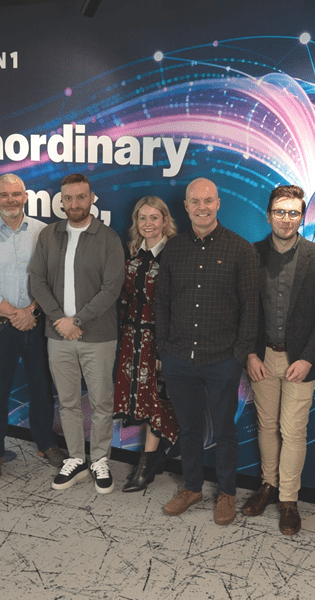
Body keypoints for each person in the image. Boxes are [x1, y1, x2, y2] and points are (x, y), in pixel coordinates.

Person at [155, 177, 260, 526]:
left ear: (218, 204)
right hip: (179, 358)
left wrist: (239, 356)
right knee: (188, 429)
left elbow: (250, 309)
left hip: (222, 360)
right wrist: (164, 350)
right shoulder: (173, 249)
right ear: (185, 207)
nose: (202, 207)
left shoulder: (241, 250)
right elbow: (162, 304)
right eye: (195, 202)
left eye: (208, 201)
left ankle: (227, 493)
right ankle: (192, 487)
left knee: (225, 431)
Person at [241, 184, 315, 535]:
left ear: (302, 216)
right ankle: (267, 486)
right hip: (262, 358)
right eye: (279, 212)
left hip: (301, 362)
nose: (285, 219)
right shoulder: (250, 254)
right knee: (266, 427)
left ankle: (289, 500)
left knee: (293, 431)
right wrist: (250, 352)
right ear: (268, 215)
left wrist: (309, 359)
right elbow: (245, 310)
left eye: (293, 212)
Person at [29, 173, 125, 494]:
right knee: (67, 402)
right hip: (58, 335)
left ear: (91, 198)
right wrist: (59, 320)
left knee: (100, 402)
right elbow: (37, 281)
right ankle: (76, 459)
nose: (74, 204)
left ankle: (99, 458)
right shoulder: (49, 236)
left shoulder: (108, 238)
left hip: (98, 336)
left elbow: (112, 288)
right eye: (68, 198)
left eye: (80, 197)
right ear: (61, 201)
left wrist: (78, 320)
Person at [0, 174, 67, 480]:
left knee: (42, 388)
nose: (10, 200)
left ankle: (45, 443)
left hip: (37, 323)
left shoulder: (42, 232)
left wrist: (31, 311)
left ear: (26, 196)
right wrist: (14, 314)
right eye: (4, 195)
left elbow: (51, 278)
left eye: (16, 194)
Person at [112, 196, 179, 493]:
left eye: (154, 217)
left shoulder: (175, 255)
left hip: (159, 340)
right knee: (139, 398)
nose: (148, 223)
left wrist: (166, 348)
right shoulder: (133, 253)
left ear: (165, 220)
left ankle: (147, 463)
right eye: (143, 218)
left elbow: (180, 306)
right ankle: (153, 458)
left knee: (157, 401)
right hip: (132, 338)